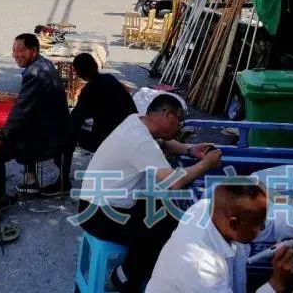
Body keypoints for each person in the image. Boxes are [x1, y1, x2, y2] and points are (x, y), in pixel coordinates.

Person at [77, 94, 223, 292]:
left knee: (168, 215)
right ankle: (125, 279)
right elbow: (175, 182)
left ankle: (137, 272)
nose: (179, 127)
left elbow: (162, 143)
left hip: (104, 204)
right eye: (179, 121)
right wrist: (206, 163)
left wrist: (190, 150)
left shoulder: (136, 122)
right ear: (167, 115)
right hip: (99, 214)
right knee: (163, 233)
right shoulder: (139, 140)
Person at [0, 33, 69, 207]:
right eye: (14, 50)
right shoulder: (43, 64)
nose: (16, 54)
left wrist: (0, 138)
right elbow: (26, 105)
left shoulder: (35, 73)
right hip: (52, 129)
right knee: (19, 129)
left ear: (34, 50)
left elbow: (20, 112)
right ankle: (31, 180)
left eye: (21, 50)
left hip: (47, 138)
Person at [147, 184, 278, 293]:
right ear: (233, 224)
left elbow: (272, 221)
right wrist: (276, 284)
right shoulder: (200, 269)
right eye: (259, 223)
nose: (263, 228)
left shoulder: (210, 210)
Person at [53, 54, 137, 195]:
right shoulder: (109, 78)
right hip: (130, 132)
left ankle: (63, 181)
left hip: (109, 140)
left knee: (68, 135)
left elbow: (75, 120)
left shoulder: (90, 90)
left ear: (79, 73)